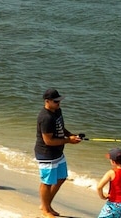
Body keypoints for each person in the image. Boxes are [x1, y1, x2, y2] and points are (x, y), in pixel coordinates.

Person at [36, 88, 84, 218]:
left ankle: (46, 205)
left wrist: (71, 135)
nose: (58, 103)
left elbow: (60, 128)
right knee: (47, 181)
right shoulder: (45, 118)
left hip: (58, 152)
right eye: (56, 101)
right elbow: (48, 141)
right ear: (47, 101)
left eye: (59, 100)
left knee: (61, 177)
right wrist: (69, 141)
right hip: (46, 153)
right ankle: (45, 210)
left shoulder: (57, 111)